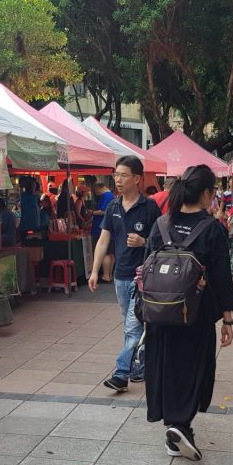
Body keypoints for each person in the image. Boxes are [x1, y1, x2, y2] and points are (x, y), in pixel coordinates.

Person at [144, 165, 233, 460]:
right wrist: (227, 318)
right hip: (195, 316)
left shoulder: (160, 224)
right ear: (209, 193)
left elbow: (145, 270)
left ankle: (174, 428)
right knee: (194, 368)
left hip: (159, 313)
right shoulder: (212, 229)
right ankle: (181, 425)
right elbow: (222, 277)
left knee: (165, 365)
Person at [89, 156, 161, 392]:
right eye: (116, 175)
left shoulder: (150, 207)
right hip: (120, 276)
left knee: (132, 326)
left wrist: (144, 241)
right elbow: (103, 240)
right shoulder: (113, 207)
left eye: (123, 175)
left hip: (144, 277)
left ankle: (121, 373)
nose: (118, 180)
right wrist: (94, 271)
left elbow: (163, 242)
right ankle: (141, 366)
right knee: (132, 324)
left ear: (137, 179)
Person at [91, 181, 116, 282]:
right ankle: (109, 275)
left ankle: (106, 275)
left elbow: (103, 211)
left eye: (95, 190)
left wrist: (92, 212)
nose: (95, 193)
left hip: (102, 228)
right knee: (111, 253)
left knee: (105, 253)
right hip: (109, 228)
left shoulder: (106, 196)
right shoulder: (111, 195)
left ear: (99, 188)